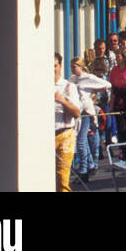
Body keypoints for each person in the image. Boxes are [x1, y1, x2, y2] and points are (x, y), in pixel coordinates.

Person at [54, 53, 82, 192]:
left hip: (64, 134)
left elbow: (77, 113)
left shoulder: (68, 86)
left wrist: (63, 101)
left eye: (54, 66)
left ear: (60, 66)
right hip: (45, 136)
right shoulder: (40, 86)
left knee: (62, 179)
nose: (52, 69)